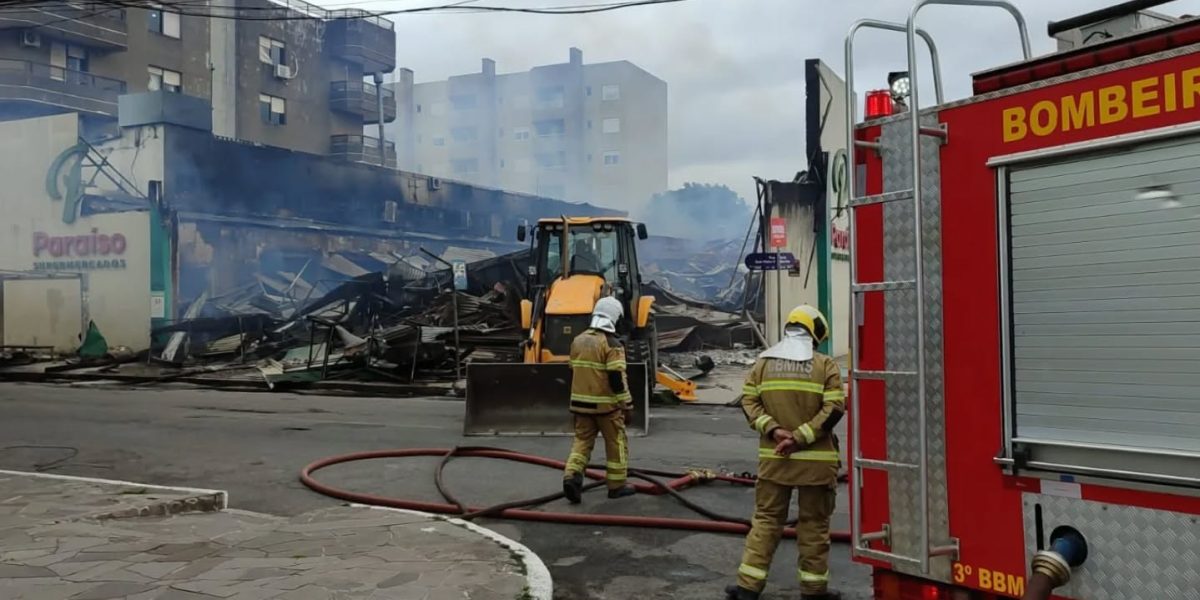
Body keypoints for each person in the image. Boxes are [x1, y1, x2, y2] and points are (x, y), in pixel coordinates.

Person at [725, 304, 844, 600]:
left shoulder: (762, 364)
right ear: (814, 333)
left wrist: (773, 430)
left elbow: (748, 403)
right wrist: (801, 437)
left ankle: (747, 588)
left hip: (774, 462)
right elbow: (835, 409)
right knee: (814, 527)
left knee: (765, 521)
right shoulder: (825, 365)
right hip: (816, 466)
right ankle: (814, 591)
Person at [562, 296, 637, 503]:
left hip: (580, 406)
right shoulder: (612, 344)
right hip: (606, 407)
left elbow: (573, 370)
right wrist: (627, 404)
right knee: (616, 444)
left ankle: (572, 476)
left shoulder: (578, 340)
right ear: (614, 318)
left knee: (581, 443)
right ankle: (616, 486)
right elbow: (616, 378)